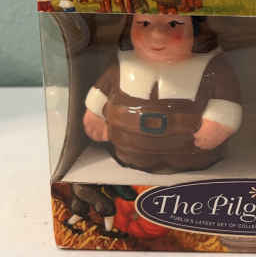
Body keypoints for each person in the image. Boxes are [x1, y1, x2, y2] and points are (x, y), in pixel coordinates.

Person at [83, 14, 242, 173]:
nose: (157, 35)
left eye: (174, 24)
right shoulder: (122, 63)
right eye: (144, 23)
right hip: (129, 150)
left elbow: (226, 100)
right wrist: (95, 114)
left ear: (196, 29)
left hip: (192, 154)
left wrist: (219, 122)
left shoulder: (212, 66)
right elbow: (101, 92)